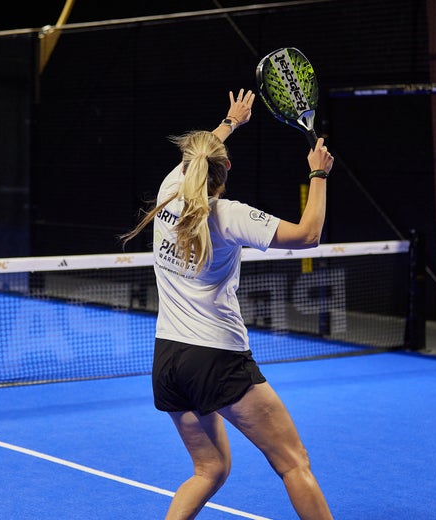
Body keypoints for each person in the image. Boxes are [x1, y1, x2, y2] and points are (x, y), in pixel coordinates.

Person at [121, 89, 334, 519]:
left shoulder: (169, 190)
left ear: (186, 165)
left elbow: (202, 155)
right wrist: (318, 174)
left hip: (168, 360)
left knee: (209, 468)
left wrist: (231, 121)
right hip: (217, 358)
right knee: (294, 462)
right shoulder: (228, 215)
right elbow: (309, 234)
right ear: (227, 168)